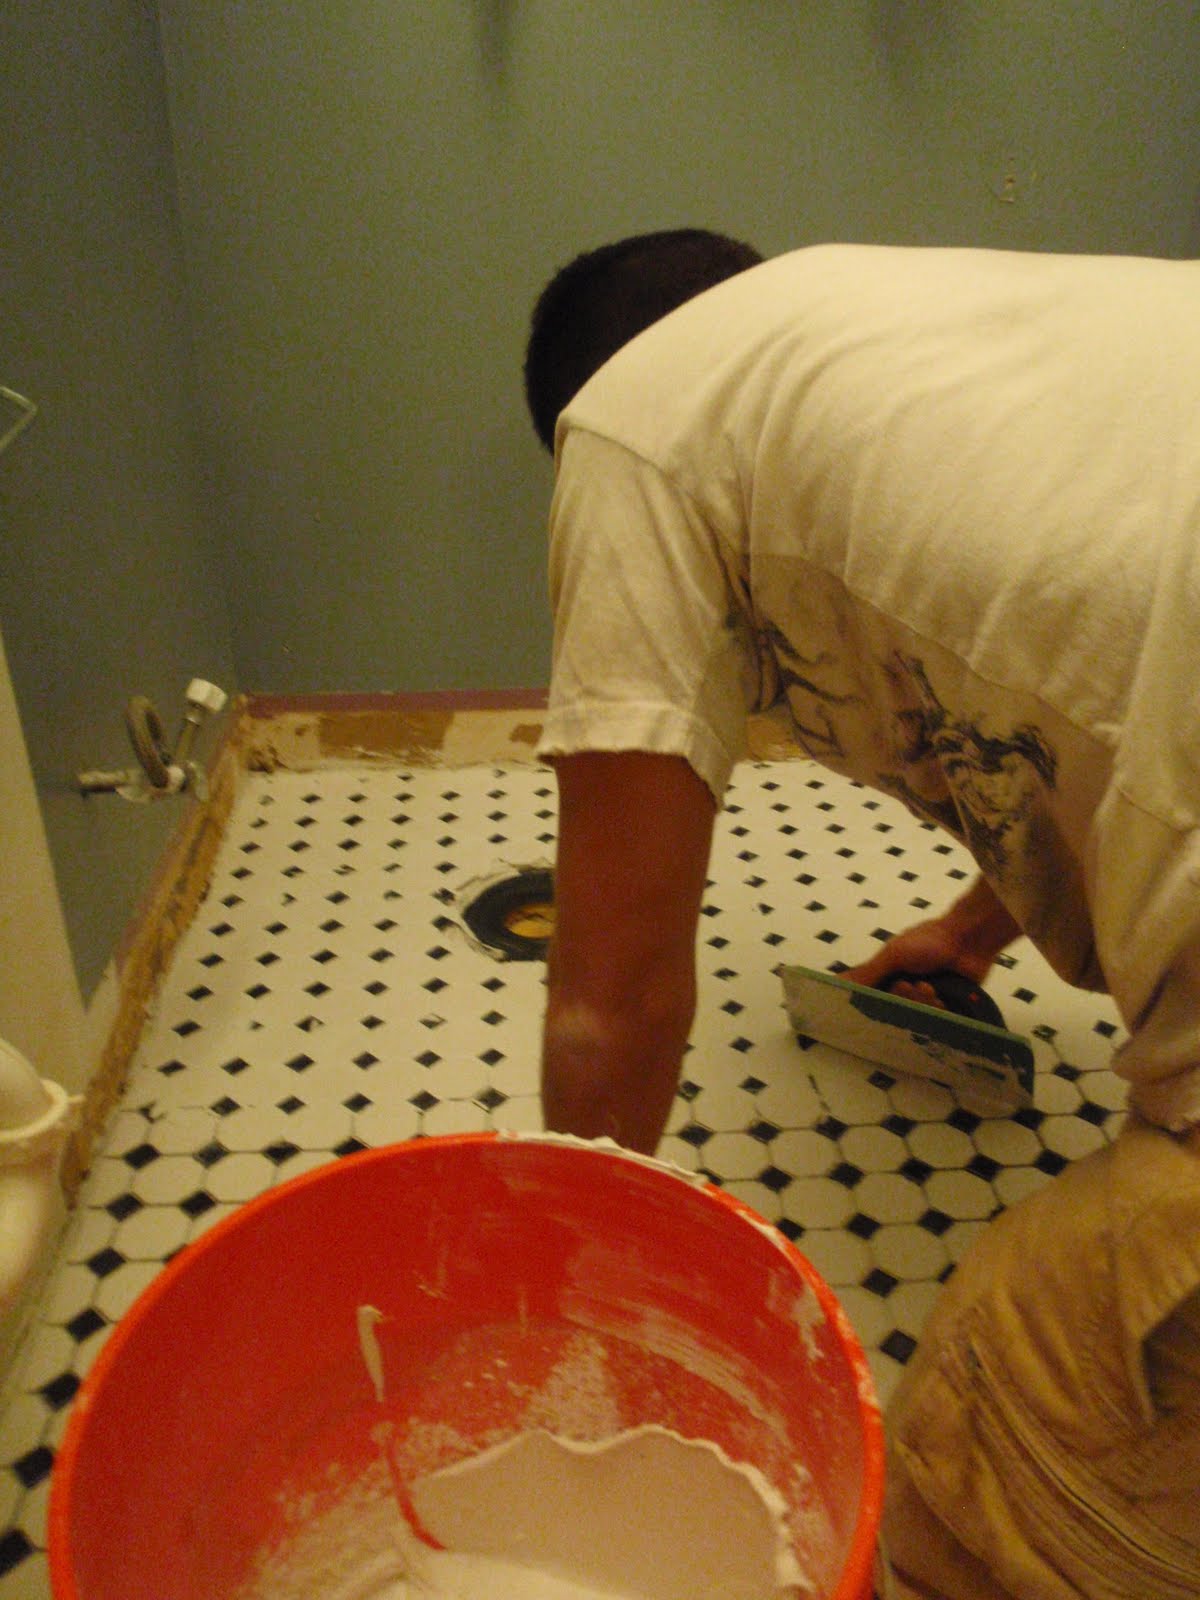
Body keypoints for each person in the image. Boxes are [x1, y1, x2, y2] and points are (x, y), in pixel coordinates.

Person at [522, 229, 1200, 1598]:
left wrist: (579, 1327)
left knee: (979, 1440)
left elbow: (613, 997)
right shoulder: (889, 335)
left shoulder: (635, 428)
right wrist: (972, 927)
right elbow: (1084, 646)